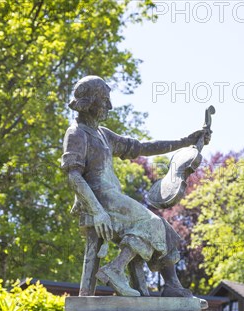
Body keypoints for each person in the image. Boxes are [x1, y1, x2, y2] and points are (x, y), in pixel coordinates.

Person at [61, 75, 211, 298]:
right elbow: (73, 176)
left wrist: (186, 141)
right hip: (98, 199)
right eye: (105, 101)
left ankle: (172, 285)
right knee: (150, 223)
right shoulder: (76, 133)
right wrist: (98, 211)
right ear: (90, 102)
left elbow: (141, 147)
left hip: (112, 199)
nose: (109, 107)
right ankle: (115, 269)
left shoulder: (103, 134)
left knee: (164, 227)